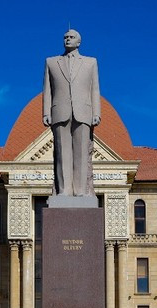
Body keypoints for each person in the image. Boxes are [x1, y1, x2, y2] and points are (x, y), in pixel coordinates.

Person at [42, 28, 100, 197]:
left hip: (84, 111)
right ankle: (64, 190)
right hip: (60, 110)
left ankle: (81, 190)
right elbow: (48, 90)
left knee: (82, 152)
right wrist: (46, 112)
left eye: (71, 37)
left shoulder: (91, 62)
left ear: (79, 42)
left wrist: (97, 113)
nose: (67, 39)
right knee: (62, 152)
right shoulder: (52, 62)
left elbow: (94, 89)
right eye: (65, 37)